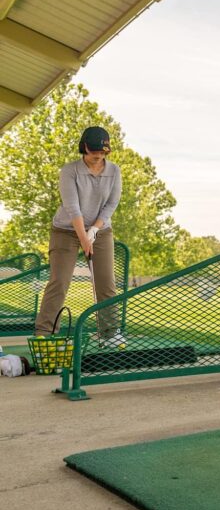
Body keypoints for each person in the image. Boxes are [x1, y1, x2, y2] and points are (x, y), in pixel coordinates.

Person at [34, 126, 123, 346]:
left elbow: (112, 204)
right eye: (94, 151)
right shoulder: (69, 171)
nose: (98, 155)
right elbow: (72, 207)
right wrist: (84, 238)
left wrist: (94, 230)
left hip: (100, 231)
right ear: (84, 148)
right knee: (59, 281)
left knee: (106, 283)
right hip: (65, 230)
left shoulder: (114, 171)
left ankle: (109, 333)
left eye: (102, 151)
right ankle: (44, 333)